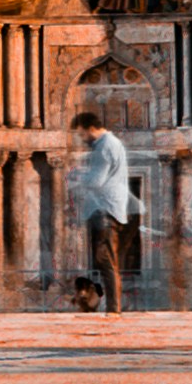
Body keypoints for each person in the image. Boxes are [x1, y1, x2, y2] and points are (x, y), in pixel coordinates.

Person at [73, 121, 136, 313]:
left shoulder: (107, 147)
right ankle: (111, 306)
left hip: (106, 222)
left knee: (108, 264)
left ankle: (113, 307)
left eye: (83, 135)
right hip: (107, 222)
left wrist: (80, 178)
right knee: (107, 263)